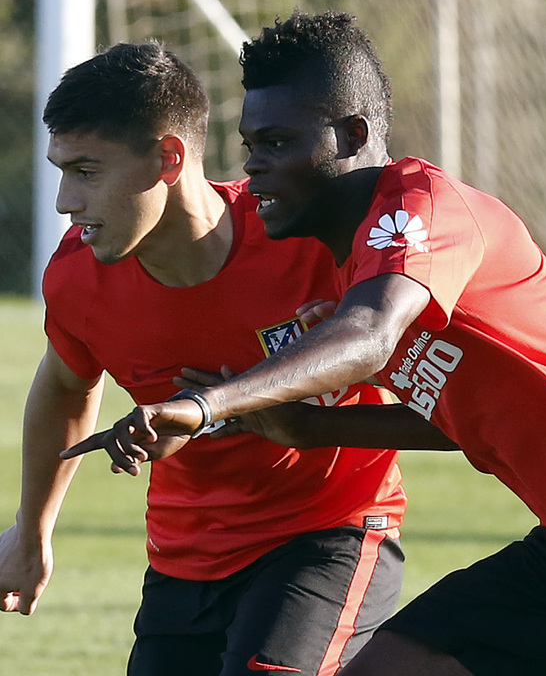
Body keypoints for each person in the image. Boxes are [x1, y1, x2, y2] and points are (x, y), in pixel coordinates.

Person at [69, 13, 546, 676]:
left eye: (278, 142)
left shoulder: (423, 210)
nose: (253, 164)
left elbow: (367, 338)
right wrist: (311, 426)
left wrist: (205, 406)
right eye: (249, 144)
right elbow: (469, 415)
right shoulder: (341, 255)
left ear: (352, 138)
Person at [0, 42, 454, 676]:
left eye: (85, 171)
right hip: (184, 558)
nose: (64, 202)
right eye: (61, 172)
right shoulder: (77, 278)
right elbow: (65, 387)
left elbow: (438, 372)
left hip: (330, 532)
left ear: (169, 157)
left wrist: (263, 406)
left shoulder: (309, 234)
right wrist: (33, 530)